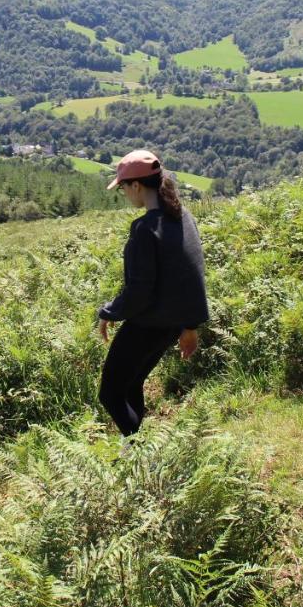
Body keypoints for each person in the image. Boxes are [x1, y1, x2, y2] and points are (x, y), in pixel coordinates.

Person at [97, 149, 208, 445]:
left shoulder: (145, 228)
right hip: (171, 326)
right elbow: (193, 274)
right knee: (133, 383)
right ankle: (134, 446)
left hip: (147, 325)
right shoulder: (184, 217)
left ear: (136, 186)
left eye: (122, 187)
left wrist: (108, 312)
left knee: (109, 393)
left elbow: (138, 291)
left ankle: (138, 450)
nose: (123, 193)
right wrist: (189, 326)